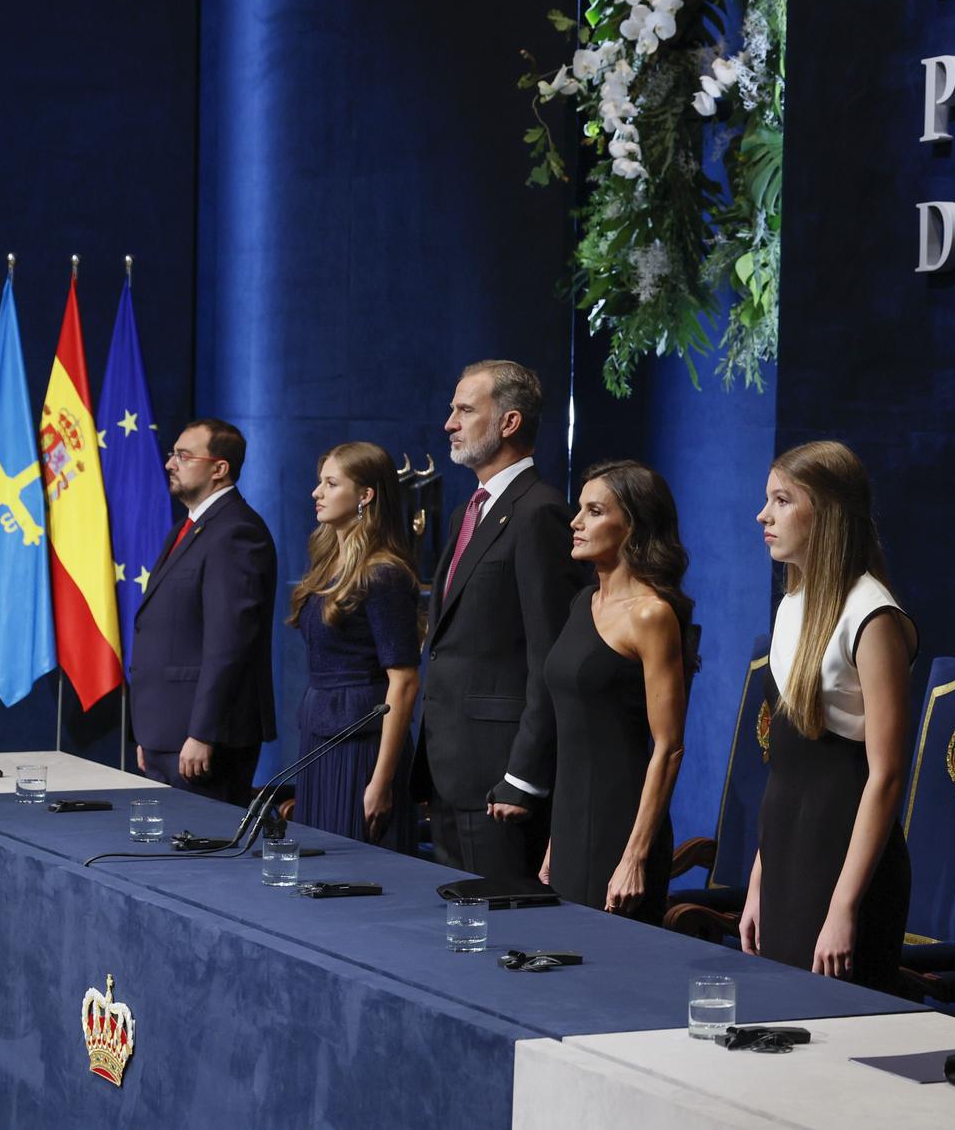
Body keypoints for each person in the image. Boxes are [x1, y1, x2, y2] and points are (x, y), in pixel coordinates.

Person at [740, 441, 916, 991]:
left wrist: (844, 908)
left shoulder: (872, 613)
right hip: (789, 850)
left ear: (828, 512)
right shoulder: (792, 604)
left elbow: (885, 775)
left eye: (782, 500)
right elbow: (788, 768)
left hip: (843, 858)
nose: (763, 515)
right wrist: (757, 882)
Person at [488, 460, 694, 923]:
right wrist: (555, 840)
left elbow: (669, 747)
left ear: (633, 526)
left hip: (621, 826)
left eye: (594, 511)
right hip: (570, 821)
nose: (576, 522)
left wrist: (635, 857)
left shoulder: (651, 615)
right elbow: (573, 732)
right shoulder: (583, 602)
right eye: (579, 509)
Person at [418, 359, 586, 878]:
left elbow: (550, 656)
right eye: (453, 410)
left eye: (465, 410)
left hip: (499, 778)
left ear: (509, 423)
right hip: (448, 766)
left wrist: (525, 775)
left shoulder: (540, 512)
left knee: (500, 940)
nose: (449, 423)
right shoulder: (467, 510)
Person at [127, 418, 277, 805]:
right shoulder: (188, 528)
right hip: (166, 733)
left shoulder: (236, 532)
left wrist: (203, 733)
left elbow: (229, 643)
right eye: (172, 454)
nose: (170, 464)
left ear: (219, 468)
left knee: (199, 860)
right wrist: (150, 733)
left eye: (183, 455)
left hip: (203, 740)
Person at [285, 442, 422, 849]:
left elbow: (405, 683)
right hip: (319, 740)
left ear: (365, 496)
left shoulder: (384, 575)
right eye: (319, 483)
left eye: (330, 483)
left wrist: (380, 781)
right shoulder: (328, 565)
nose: (317, 493)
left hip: (362, 748)